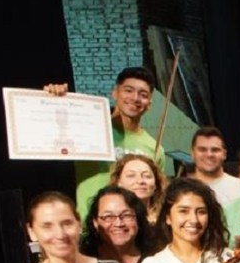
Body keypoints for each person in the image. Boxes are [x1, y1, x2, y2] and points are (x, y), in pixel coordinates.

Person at [45, 68, 166, 220]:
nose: (135, 98)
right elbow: (55, 129)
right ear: (115, 93)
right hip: (90, 223)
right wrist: (54, 99)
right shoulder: (87, 131)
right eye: (128, 90)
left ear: (149, 104)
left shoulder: (155, 148)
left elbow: (157, 196)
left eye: (143, 94)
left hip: (131, 227)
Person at [80, 185, 152, 263]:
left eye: (126, 215)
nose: (119, 224)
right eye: (108, 217)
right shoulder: (83, 261)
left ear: (137, 219)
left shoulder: (155, 259)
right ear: (95, 222)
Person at [187, 127, 240, 206]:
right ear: (192, 153)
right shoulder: (181, 190)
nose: (209, 154)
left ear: (224, 154)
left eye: (215, 150)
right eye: (202, 150)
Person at [112, 153, 166, 225]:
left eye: (147, 176)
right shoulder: (109, 219)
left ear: (156, 183)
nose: (140, 181)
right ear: (118, 182)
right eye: (131, 175)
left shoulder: (167, 219)